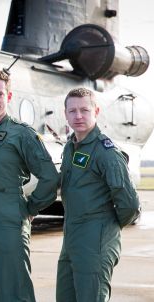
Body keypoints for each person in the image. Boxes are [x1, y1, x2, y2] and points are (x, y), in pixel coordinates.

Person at [0, 69, 59, 302]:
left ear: (9, 96)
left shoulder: (21, 134)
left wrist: (29, 208)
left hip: (9, 226)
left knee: (14, 293)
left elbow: (50, 177)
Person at [56, 88, 140, 302]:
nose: (78, 116)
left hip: (95, 242)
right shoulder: (70, 148)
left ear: (96, 111)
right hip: (71, 239)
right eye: (72, 111)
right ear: (65, 114)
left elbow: (129, 204)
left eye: (84, 110)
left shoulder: (107, 153)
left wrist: (104, 229)